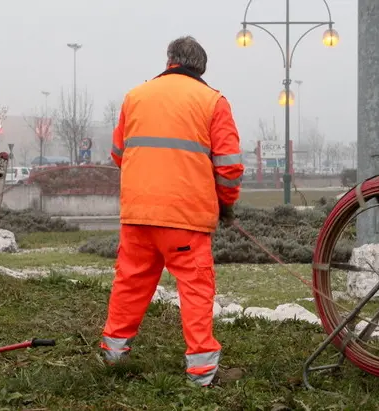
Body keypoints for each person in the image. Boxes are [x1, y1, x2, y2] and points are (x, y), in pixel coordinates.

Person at [101, 36, 245, 387]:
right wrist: (226, 204)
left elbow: (119, 155)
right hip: (185, 218)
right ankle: (201, 372)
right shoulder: (213, 101)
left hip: (137, 213)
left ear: (169, 61)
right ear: (202, 68)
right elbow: (228, 166)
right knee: (195, 289)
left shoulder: (135, 96)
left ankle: (113, 354)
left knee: (130, 282)